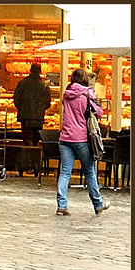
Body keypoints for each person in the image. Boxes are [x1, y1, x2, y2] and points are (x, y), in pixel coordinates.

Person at [56, 68, 110, 216]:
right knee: (89, 171)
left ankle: (62, 205)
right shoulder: (87, 93)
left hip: (65, 137)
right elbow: (99, 112)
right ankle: (98, 204)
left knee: (65, 172)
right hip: (81, 138)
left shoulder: (66, 94)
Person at [13, 63, 52, 146]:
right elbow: (48, 102)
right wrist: (41, 109)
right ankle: (35, 156)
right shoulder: (44, 86)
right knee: (36, 140)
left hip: (25, 117)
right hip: (38, 118)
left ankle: (27, 156)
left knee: (26, 140)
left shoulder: (22, 83)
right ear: (40, 72)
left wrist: (22, 109)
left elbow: (16, 99)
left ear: (30, 71)